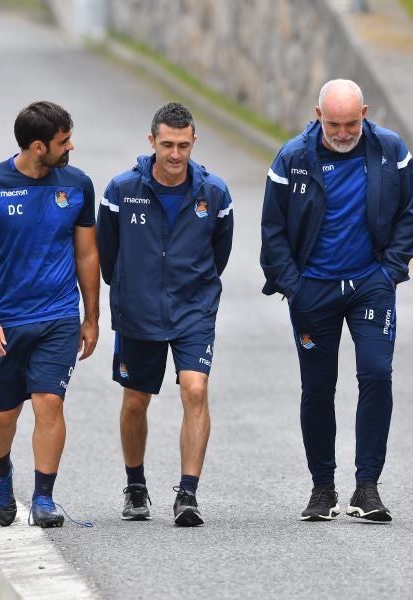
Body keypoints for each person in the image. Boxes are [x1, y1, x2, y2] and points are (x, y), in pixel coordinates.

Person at [260, 79, 413, 522]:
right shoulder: (293, 157)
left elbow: (410, 214)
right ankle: (322, 488)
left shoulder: (391, 150)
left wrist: (390, 271)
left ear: (365, 113)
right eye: (334, 124)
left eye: (352, 123)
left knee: (376, 374)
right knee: (318, 387)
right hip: (314, 288)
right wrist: (292, 284)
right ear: (317, 115)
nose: (344, 133)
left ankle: (367, 488)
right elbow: (271, 227)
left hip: (371, 283)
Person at [0, 101, 99, 528]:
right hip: (5, 322)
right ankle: (0, 472)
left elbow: (87, 253)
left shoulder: (78, 185)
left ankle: (43, 497)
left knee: (49, 403)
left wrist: (91, 317)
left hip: (58, 317)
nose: (71, 146)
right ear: (39, 146)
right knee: (4, 413)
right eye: (63, 141)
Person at [97, 102, 234, 527]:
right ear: (151, 141)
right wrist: (129, 288)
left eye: (184, 145)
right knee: (136, 400)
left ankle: (187, 494)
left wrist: (193, 286)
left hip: (193, 308)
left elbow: (220, 253)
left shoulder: (214, 194)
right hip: (139, 311)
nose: (175, 155)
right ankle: (135, 484)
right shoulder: (121, 190)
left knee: (195, 390)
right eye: (168, 144)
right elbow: (107, 254)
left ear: (194, 143)